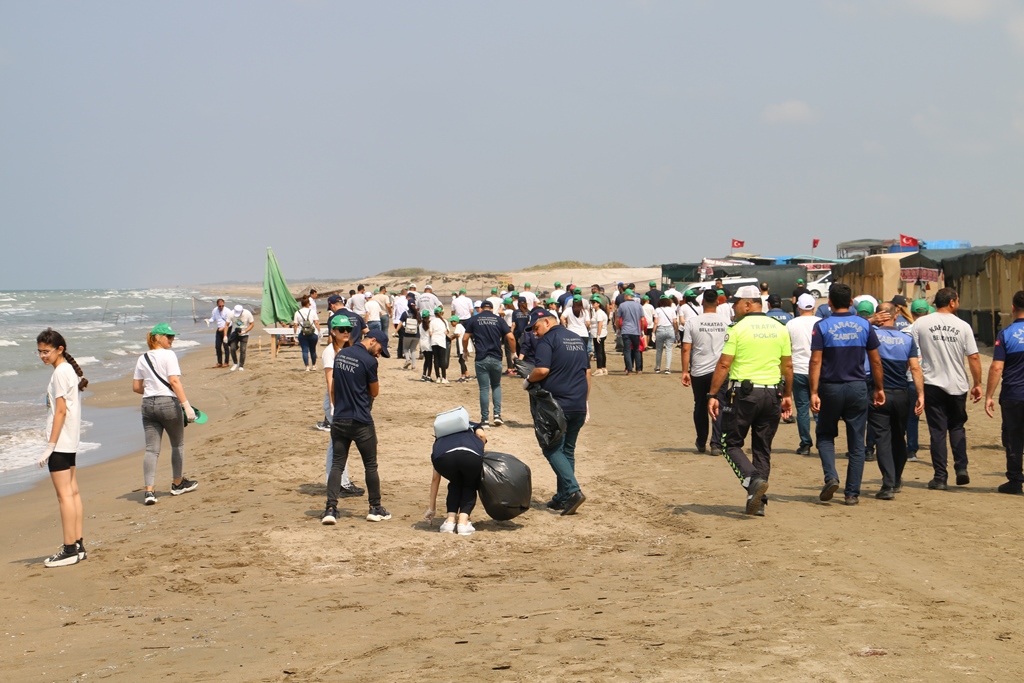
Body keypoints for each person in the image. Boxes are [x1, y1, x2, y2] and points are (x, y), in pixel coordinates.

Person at [706, 285, 793, 516]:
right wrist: (788, 396)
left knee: (729, 443)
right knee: (762, 449)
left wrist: (713, 395)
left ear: (747, 304)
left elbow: (724, 364)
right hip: (772, 393)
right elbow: (788, 366)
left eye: (735, 303)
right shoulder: (780, 328)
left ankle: (752, 480)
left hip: (744, 395)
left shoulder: (737, 328)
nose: (733, 308)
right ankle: (759, 503)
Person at [810, 283, 884, 506]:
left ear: (829, 302)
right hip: (857, 386)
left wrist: (813, 391)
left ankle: (831, 476)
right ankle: (852, 493)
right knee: (856, 442)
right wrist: (879, 387)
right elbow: (875, 360)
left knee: (825, 435)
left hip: (830, 387)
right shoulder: (863, 325)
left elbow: (816, 360)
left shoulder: (821, 326)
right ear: (851, 302)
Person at [911, 287, 983, 490]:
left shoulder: (921, 324)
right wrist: (977, 384)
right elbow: (974, 356)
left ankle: (940, 477)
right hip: (958, 385)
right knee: (957, 427)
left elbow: (912, 353)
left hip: (932, 383)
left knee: (937, 431)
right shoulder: (963, 326)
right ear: (952, 302)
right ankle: (961, 468)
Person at [321, 329, 392, 525]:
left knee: (337, 464)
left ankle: (330, 508)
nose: (379, 353)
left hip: (340, 418)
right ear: (373, 341)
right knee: (370, 465)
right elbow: (375, 392)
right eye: (380, 349)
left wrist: (337, 411)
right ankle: (374, 507)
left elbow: (333, 388)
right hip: (361, 420)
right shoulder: (370, 362)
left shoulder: (341, 354)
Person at [524, 308, 590, 515]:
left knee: (551, 448)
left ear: (546, 322)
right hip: (578, 403)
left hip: (557, 406)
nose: (535, 333)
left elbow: (542, 370)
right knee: (567, 449)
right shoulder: (577, 339)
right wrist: (586, 402)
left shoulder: (547, 341)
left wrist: (527, 380)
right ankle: (562, 497)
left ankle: (573, 491)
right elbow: (587, 372)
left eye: (536, 328)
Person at [36, 329, 89, 568]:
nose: (42, 356)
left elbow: (60, 411)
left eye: (46, 351)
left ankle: (69, 549)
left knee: (64, 496)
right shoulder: (68, 370)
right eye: (39, 352)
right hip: (70, 440)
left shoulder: (60, 372)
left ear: (60, 349)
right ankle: (78, 545)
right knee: (73, 493)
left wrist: (50, 446)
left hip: (60, 442)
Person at [132, 323, 199, 506]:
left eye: (172, 336)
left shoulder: (142, 358)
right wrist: (187, 406)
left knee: (151, 449)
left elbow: (136, 387)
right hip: (168, 404)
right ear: (157, 338)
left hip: (147, 404)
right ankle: (177, 483)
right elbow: (174, 381)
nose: (172, 339)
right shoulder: (169, 355)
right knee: (177, 444)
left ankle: (149, 491)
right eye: (168, 336)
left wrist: (153, 389)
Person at [869, 302, 925, 499]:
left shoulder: (872, 335)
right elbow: (915, 368)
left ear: (879, 316)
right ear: (896, 316)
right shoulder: (907, 339)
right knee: (899, 437)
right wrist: (920, 395)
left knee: (882, 438)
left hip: (879, 392)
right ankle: (897, 477)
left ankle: (888, 483)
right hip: (902, 393)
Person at [681, 290, 731, 454]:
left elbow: (686, 348)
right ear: (718, 302)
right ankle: (716, 443)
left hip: (699, 370)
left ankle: (701, 440)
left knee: (701, 405)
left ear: (702, 303)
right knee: (720, 405)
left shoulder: (692, 322)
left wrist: (684, 371)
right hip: (720, 370)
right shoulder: (726, 322)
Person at [321, 316, 365, 497]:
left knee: (337, 443)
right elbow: (330, 382)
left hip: (347, 401)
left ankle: (338, 482)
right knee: (339, 444)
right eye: (341, 329)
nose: (346, 332)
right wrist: (334, 406)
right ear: (333, 331)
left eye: (348, 329)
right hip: (337, 402)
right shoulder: (330, 352)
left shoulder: (349, 349)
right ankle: (340, 483)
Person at [985, 290, 1024, 494]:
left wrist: (989, 395)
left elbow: (997, 368)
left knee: (1013, 438)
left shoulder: (1006, 334)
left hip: (1013, 395)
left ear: (1012, 308)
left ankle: (1015, 481)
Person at [425, 418, 488, 535]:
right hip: (470, 454)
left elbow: (435, 479)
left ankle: (450, 522)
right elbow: (481, 434)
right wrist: (481, 448)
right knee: (470, 484)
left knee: (455, 483)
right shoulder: (472, 424)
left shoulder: (442, 433)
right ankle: (463, 523)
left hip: (443, 458)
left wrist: (432, 508)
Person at [463, 300, 516, 426]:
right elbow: (511, 337)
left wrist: (465, 351)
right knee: (496, 385)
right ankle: (497, 415)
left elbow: (465, 338)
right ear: (492, 309)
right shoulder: (498, 320)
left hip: (481, 357)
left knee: (484, 389)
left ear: (480, 309)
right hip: (496, 356)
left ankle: (485, 419)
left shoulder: (474, 319)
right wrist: (513, 353)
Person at [786, 293, 820, 455]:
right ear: (813, 308)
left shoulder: (791, 324)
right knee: (819, 408)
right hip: (818, 371)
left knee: (802, 408)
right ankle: (822, 441)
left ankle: (805, 443)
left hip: (798, 369)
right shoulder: (821, 323)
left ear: (798, 308)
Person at [903, 298, 931, 461]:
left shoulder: (906, 331)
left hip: (912, 378)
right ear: (927, 312)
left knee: (912, 417)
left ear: (912, 314)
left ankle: (911, 449)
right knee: (936, 418)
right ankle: (939, 449)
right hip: (933, 378)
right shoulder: (934, 330)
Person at [616, 289, 644, 374]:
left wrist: (618, 329)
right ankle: (638, 369)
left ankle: (629, 369)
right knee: (636, 349)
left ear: (627, 296)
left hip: (626, 330)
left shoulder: (622, 305)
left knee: (627, 350)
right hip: (636, 331)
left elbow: (617, 319)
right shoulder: (638, 306)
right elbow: (642, 319)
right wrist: (642, 330)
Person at [292, 295, 320, 371]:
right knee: (313, 350)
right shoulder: (312, 311)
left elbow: (295, 325)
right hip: (313, 333)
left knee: (304, 350)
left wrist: (295, 334)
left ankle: (307, 367)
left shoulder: (297, 313)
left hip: (302, 333)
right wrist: (319, 331)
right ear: (308, 303)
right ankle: (314, 365)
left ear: (301, 304)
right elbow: (316, 322)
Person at [225, 304, 254, 372]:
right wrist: (225, 335)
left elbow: (252, 324)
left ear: (242, 311)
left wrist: (245, 331)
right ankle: (235, 363)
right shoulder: (231, 314)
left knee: (243, 350)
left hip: (245, 333)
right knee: (232, 348)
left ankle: (241, 365)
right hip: (235, 333)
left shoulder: (247, 313)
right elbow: (227, 324)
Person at [652, 294, 677, 374]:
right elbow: (675, 322)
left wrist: (653, 332)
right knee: (669, 349)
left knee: (659, 350)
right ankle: (667, 368)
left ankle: (658, 367)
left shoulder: (657, 310)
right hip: (670, 329)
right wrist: (676, 331)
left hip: (660, 329)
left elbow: (656, 322)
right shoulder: (672, 310)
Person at [207, 299, 232, 368]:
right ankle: (219, 362)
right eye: (220, 306)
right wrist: (209, 321)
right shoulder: (215, 310)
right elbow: (213, 318)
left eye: (222, 306)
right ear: (217, 305)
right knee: (217, 346)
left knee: (225, 345)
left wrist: (224, 328)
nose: (221, 307)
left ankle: (226, 362)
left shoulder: (227, 311)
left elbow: (230, 323)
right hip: (219, 329)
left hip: (227, 329)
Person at [429, 307, 451, 384]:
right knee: (442, 359)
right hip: (441, 341)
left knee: (436, 359)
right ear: (441, 313)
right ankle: (444, 377)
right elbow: (447, 332)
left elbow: (430, 333)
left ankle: (438, 377)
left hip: (434, 341)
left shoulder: (432, 321)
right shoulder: (444, 321)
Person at [590, 295, 609, 376]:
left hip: (599, 334)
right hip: (601, 333)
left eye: (594, 303)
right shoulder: (598, 312)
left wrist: (598, 334)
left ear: (598, 304)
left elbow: (600, 324)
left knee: (599, 351)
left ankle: (599, 368)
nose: (593, 304)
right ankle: (604, 368)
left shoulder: (599, 313)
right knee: (601, 351)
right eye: (592, 302)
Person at [400, 297, 420, 370]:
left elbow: (400, 323)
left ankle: (408, 359)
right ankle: (413, 365)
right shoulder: (417, 314)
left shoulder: (405, 313)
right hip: (416, 334)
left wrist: (396, 331)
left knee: (405, 348)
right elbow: (420, 323)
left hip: (407, 333)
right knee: (413, 349)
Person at [450, 315, 471, 382]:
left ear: (455, 322)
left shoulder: (458, 326)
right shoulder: (460, 326)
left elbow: (457, 334)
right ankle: (467, 374)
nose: (451, 323)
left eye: (452, 322)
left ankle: (463, 376)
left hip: (463, 346)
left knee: (461, 361)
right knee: (462, 360)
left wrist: (451, 337)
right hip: (465, 345)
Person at [419, 309, 435, 382]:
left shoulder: (420, 325)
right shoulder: (430, 324)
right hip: (429, 344)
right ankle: (428, 376)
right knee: (430, 361)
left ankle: (423, 375)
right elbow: (431, 334)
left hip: (422, 343)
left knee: (426, 360)